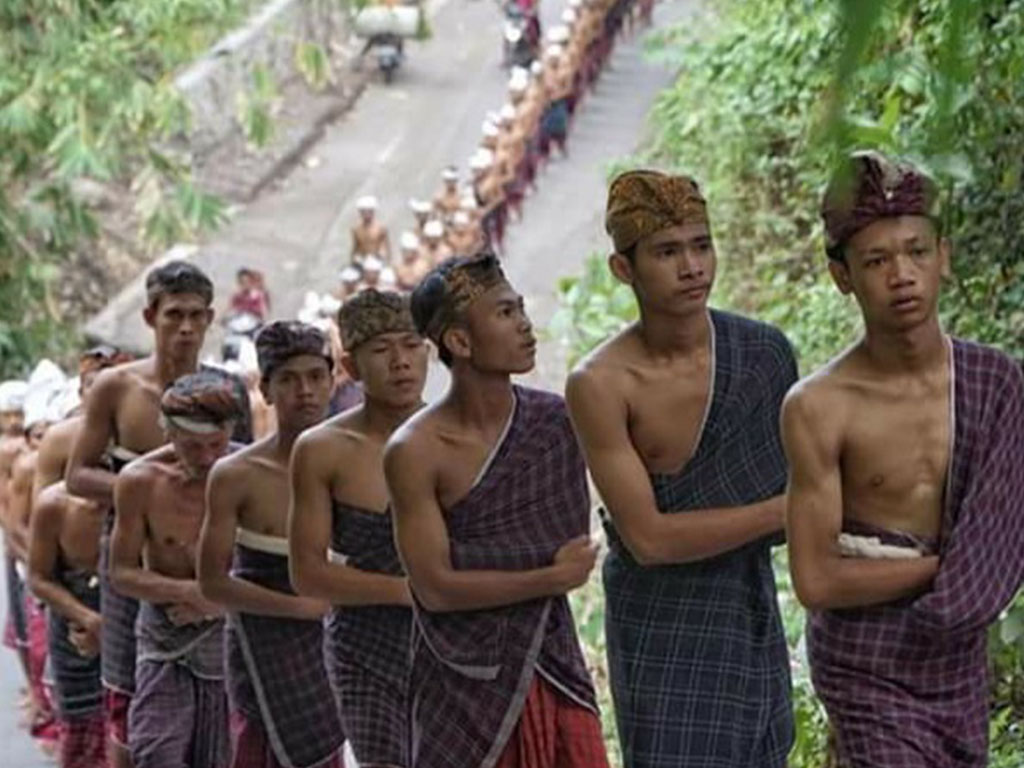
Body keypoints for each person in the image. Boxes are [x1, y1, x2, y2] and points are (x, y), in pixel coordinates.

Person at [783, 150, 1024, 767]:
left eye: (918, 251)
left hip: (955, 664)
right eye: (877, 260)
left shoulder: (994, 383)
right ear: (843, 277)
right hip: (864, 661)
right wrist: (948, 570)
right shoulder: (820, 406)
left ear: (943, 255)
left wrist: (959, 580)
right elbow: (815, 580)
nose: (902, 275)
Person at [566, 170, 796, 767]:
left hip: (746, 606)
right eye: (668, 252)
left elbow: (810, 483)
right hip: (662, 624)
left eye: (702, 245)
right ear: (624, 270)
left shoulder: (763, 353)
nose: (692, 267)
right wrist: (785, 511)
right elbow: (648, 539)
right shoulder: (601, 383)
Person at [385, 254, 609, 768]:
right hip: (459, 675)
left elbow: (567, 542)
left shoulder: (553, 422)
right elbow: (436, 589)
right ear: (459, 342)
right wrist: (545, 577)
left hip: (549, 659)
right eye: (505, 313)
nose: (526, 326)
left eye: (522, 309)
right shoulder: (414, 450)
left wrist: (510, 568)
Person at [67, 260, 251, 767]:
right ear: (150, 317)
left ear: (212, 318)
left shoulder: (227, 391)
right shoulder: (117, 388)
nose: (186, 327)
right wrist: (146, 490)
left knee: (222, 699)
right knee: (130, 696)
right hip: (137, 552)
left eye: (196, 315)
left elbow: (251, 480)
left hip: (213, 560)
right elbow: (77, 475)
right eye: (174, 315)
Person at [291, 290, 428, 767]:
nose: (400, 362)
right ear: (350, 366)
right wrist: (409, 591)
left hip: (454, 643)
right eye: (381, 350)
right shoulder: (322, 449)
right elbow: (308, 573)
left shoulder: (459, 434)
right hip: (364, 648)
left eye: (411, 346)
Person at [198, 322, 344, 768]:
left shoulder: (358, 463)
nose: (305, 391)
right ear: (266, 389)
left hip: (342, 645)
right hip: (264, 650)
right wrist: (302, 608)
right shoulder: (236, 475)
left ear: (333, 382)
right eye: (288, 379)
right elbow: (213, 583)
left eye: (316, 377)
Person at [110, 371, 244, 768]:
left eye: (216, 445)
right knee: (156, 751)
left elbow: (283, 569)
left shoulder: (250, 474)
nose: (206, 459)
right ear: (167, 433)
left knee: (222, 757)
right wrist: (190, 593)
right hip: (164, 640)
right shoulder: (140, 481)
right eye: (192, 446)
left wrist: (217, 603)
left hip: (232, 637)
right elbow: (122, 573)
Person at [28, 478, 107, 768]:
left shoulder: (147, 493)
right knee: (85, 735)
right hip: (77, 638)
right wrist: (89, 619)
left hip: (137, 639)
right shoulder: (55, 504)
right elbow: (39, 578)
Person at [33, 347, 126, 498]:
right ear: (81, 393)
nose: (101, 393)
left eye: (109, 387)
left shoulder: (140, 430)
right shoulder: (58, 438)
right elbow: (41, 504)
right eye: (93, 385)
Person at [351, 196, 391, 265]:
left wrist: (382, 255)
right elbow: (356, 246)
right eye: (363, 212)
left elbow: (385, 246)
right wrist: (354, 258)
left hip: (377, 260)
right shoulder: (356, 229)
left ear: (373, 212)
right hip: (362, 260)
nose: (366, 215)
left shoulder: (381, 228)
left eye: (369, 212)